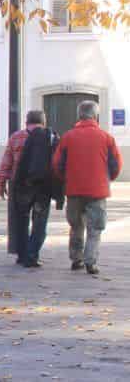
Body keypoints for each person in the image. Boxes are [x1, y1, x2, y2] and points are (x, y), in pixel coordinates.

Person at [53, 100, 122, 275]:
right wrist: (107, 179)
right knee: (95, 228)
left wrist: (66, 179)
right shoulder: (106, 138)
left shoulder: (68, 137)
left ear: (79, 115)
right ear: (96, 115)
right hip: (97, 190)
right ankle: (91, 261)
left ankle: (76, 259)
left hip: (74, 189)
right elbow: (116, 164)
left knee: (76, 225)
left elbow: (57, 164)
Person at [0, 109, 61, 268]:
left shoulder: (16, 137)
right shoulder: (50, 137)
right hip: (42, 187)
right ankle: (32, 256)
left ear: (26, 122)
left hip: (21, 186)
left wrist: (2, 183)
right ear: (43, 122)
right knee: (39, 222)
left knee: (21, 221)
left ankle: (22, 254)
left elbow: (7, 162)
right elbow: (56, 164)